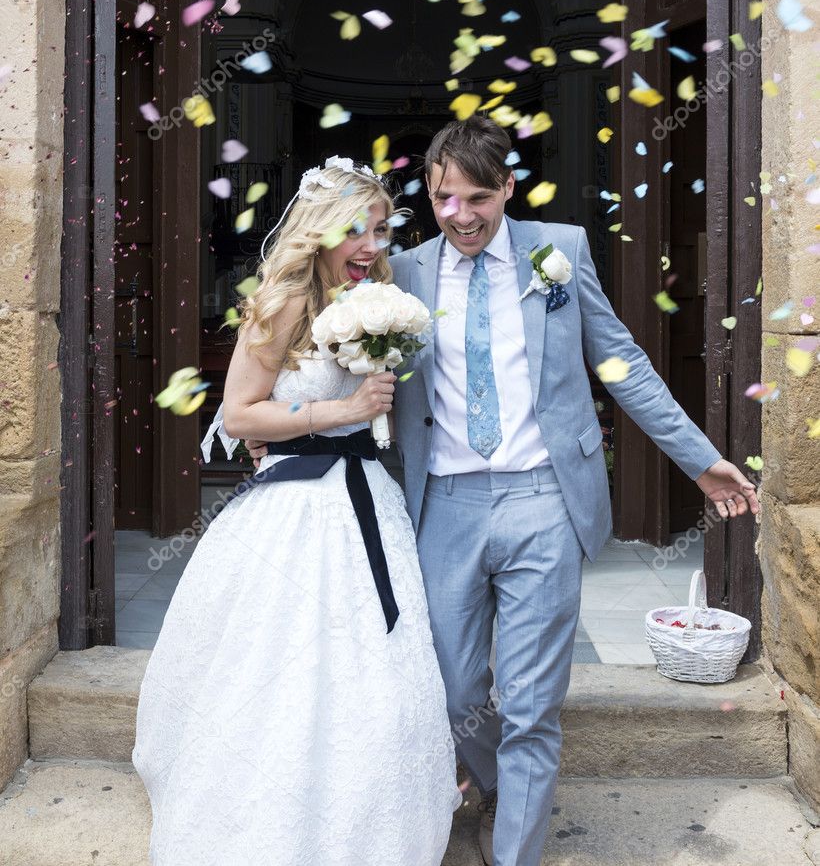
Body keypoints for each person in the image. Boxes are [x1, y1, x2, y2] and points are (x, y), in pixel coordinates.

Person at [247, 115, 760, 866]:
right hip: (444, 506)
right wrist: (281, 422)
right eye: (445, 197)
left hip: (544, 498)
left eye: (478, 198)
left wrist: (699, 458)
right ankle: (490, 781)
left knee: (531, 703)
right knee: (456, 695)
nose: (461, 215)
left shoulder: (562, 253)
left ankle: (515, 846)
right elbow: (321, 354)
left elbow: (623, 365)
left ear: (508, 189)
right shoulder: (400, 273)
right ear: (431, 191)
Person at [132, 156, 462, 866]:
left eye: (379, 228)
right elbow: (240, 411)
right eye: (354, 229)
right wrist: (339, 408)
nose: (370, 245)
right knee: (275, 660)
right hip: (291, 506)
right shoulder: (279, 302)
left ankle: (372, 820)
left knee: (373, 657)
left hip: (367, 496)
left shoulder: (378, 293)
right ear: (317, 230)